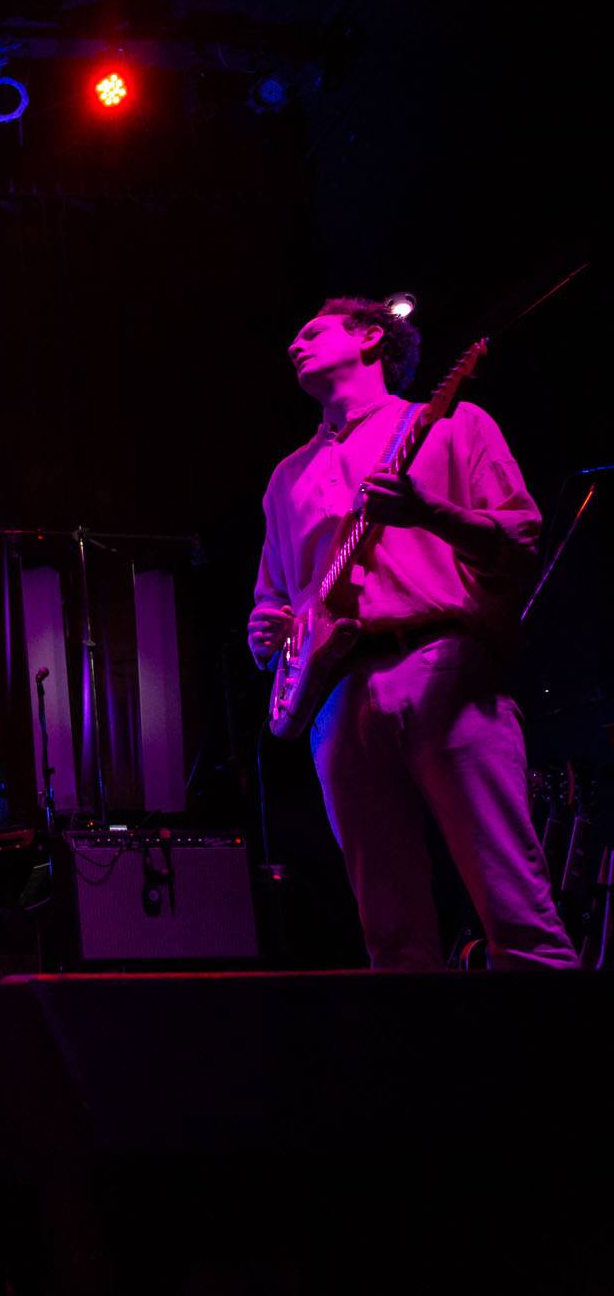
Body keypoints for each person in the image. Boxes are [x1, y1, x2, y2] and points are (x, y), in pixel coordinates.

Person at [249, 300, 576, 970]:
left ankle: (565, 1066)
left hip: (441, 664)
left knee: (516, 914)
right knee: (392, 939)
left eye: (311, 330)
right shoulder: (285, 478)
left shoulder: (452, 425)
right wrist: (269, 631)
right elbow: (275, 604)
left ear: (371, 337)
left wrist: (431, 513)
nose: (293, 343)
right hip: (336, 700)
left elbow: (520, 538)